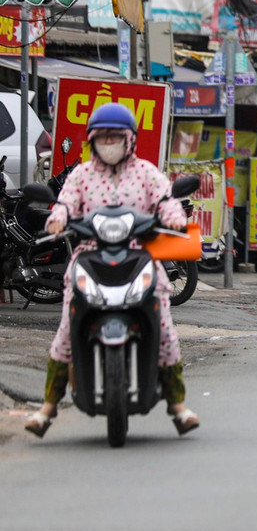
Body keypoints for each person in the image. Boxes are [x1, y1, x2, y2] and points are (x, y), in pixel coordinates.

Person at [25, 103, 198, 438]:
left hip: (139, 255)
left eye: (115, 136)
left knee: (164, 327)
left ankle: (177, 407)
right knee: (65, 329)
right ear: (92, 139)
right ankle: (47, 409)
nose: (109, 142)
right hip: (90, 256)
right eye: (102, 137)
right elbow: (63, 204)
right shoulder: (81, 174)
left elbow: (166, 199)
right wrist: (58, 219)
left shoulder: (147, 172)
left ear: (129, 140)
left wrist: (174, 215)